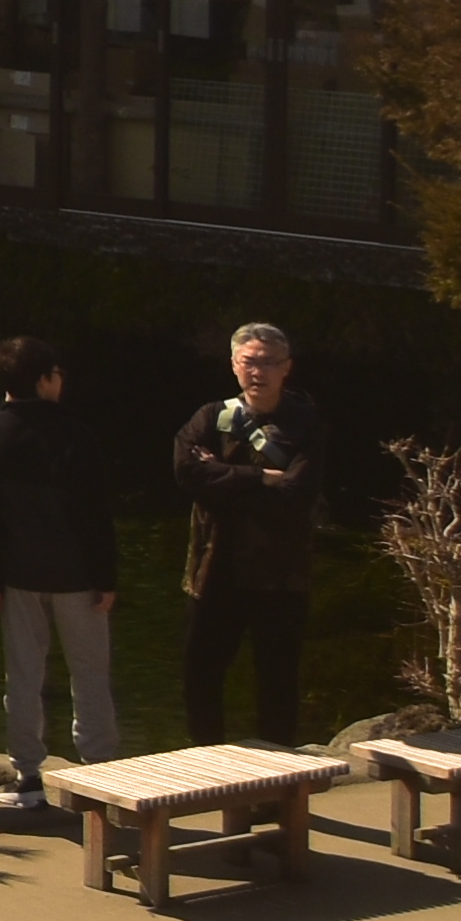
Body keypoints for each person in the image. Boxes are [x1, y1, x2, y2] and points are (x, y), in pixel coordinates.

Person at [0, 333, 125, 812]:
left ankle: (27, 775)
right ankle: (99, 770)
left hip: (17, 573)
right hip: (77, 574)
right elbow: (95, 513)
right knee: (90, 673)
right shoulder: (76, 433)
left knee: (23, 675)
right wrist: (106, 577)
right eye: (56, 373)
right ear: (44, 380)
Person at [174, 320, 321, 747]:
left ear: (287, 367)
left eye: (269, 362)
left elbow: (298, 493)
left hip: (281, 573)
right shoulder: (211, 417)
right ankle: (207, 761)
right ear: (234, 365)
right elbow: (186, 473)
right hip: (213, 568)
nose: (259, 372)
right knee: (200, 674)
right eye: (249, 362)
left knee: (277, 679)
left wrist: (222, 478)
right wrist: (260, 478)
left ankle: (279, 769)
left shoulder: (304, 425)